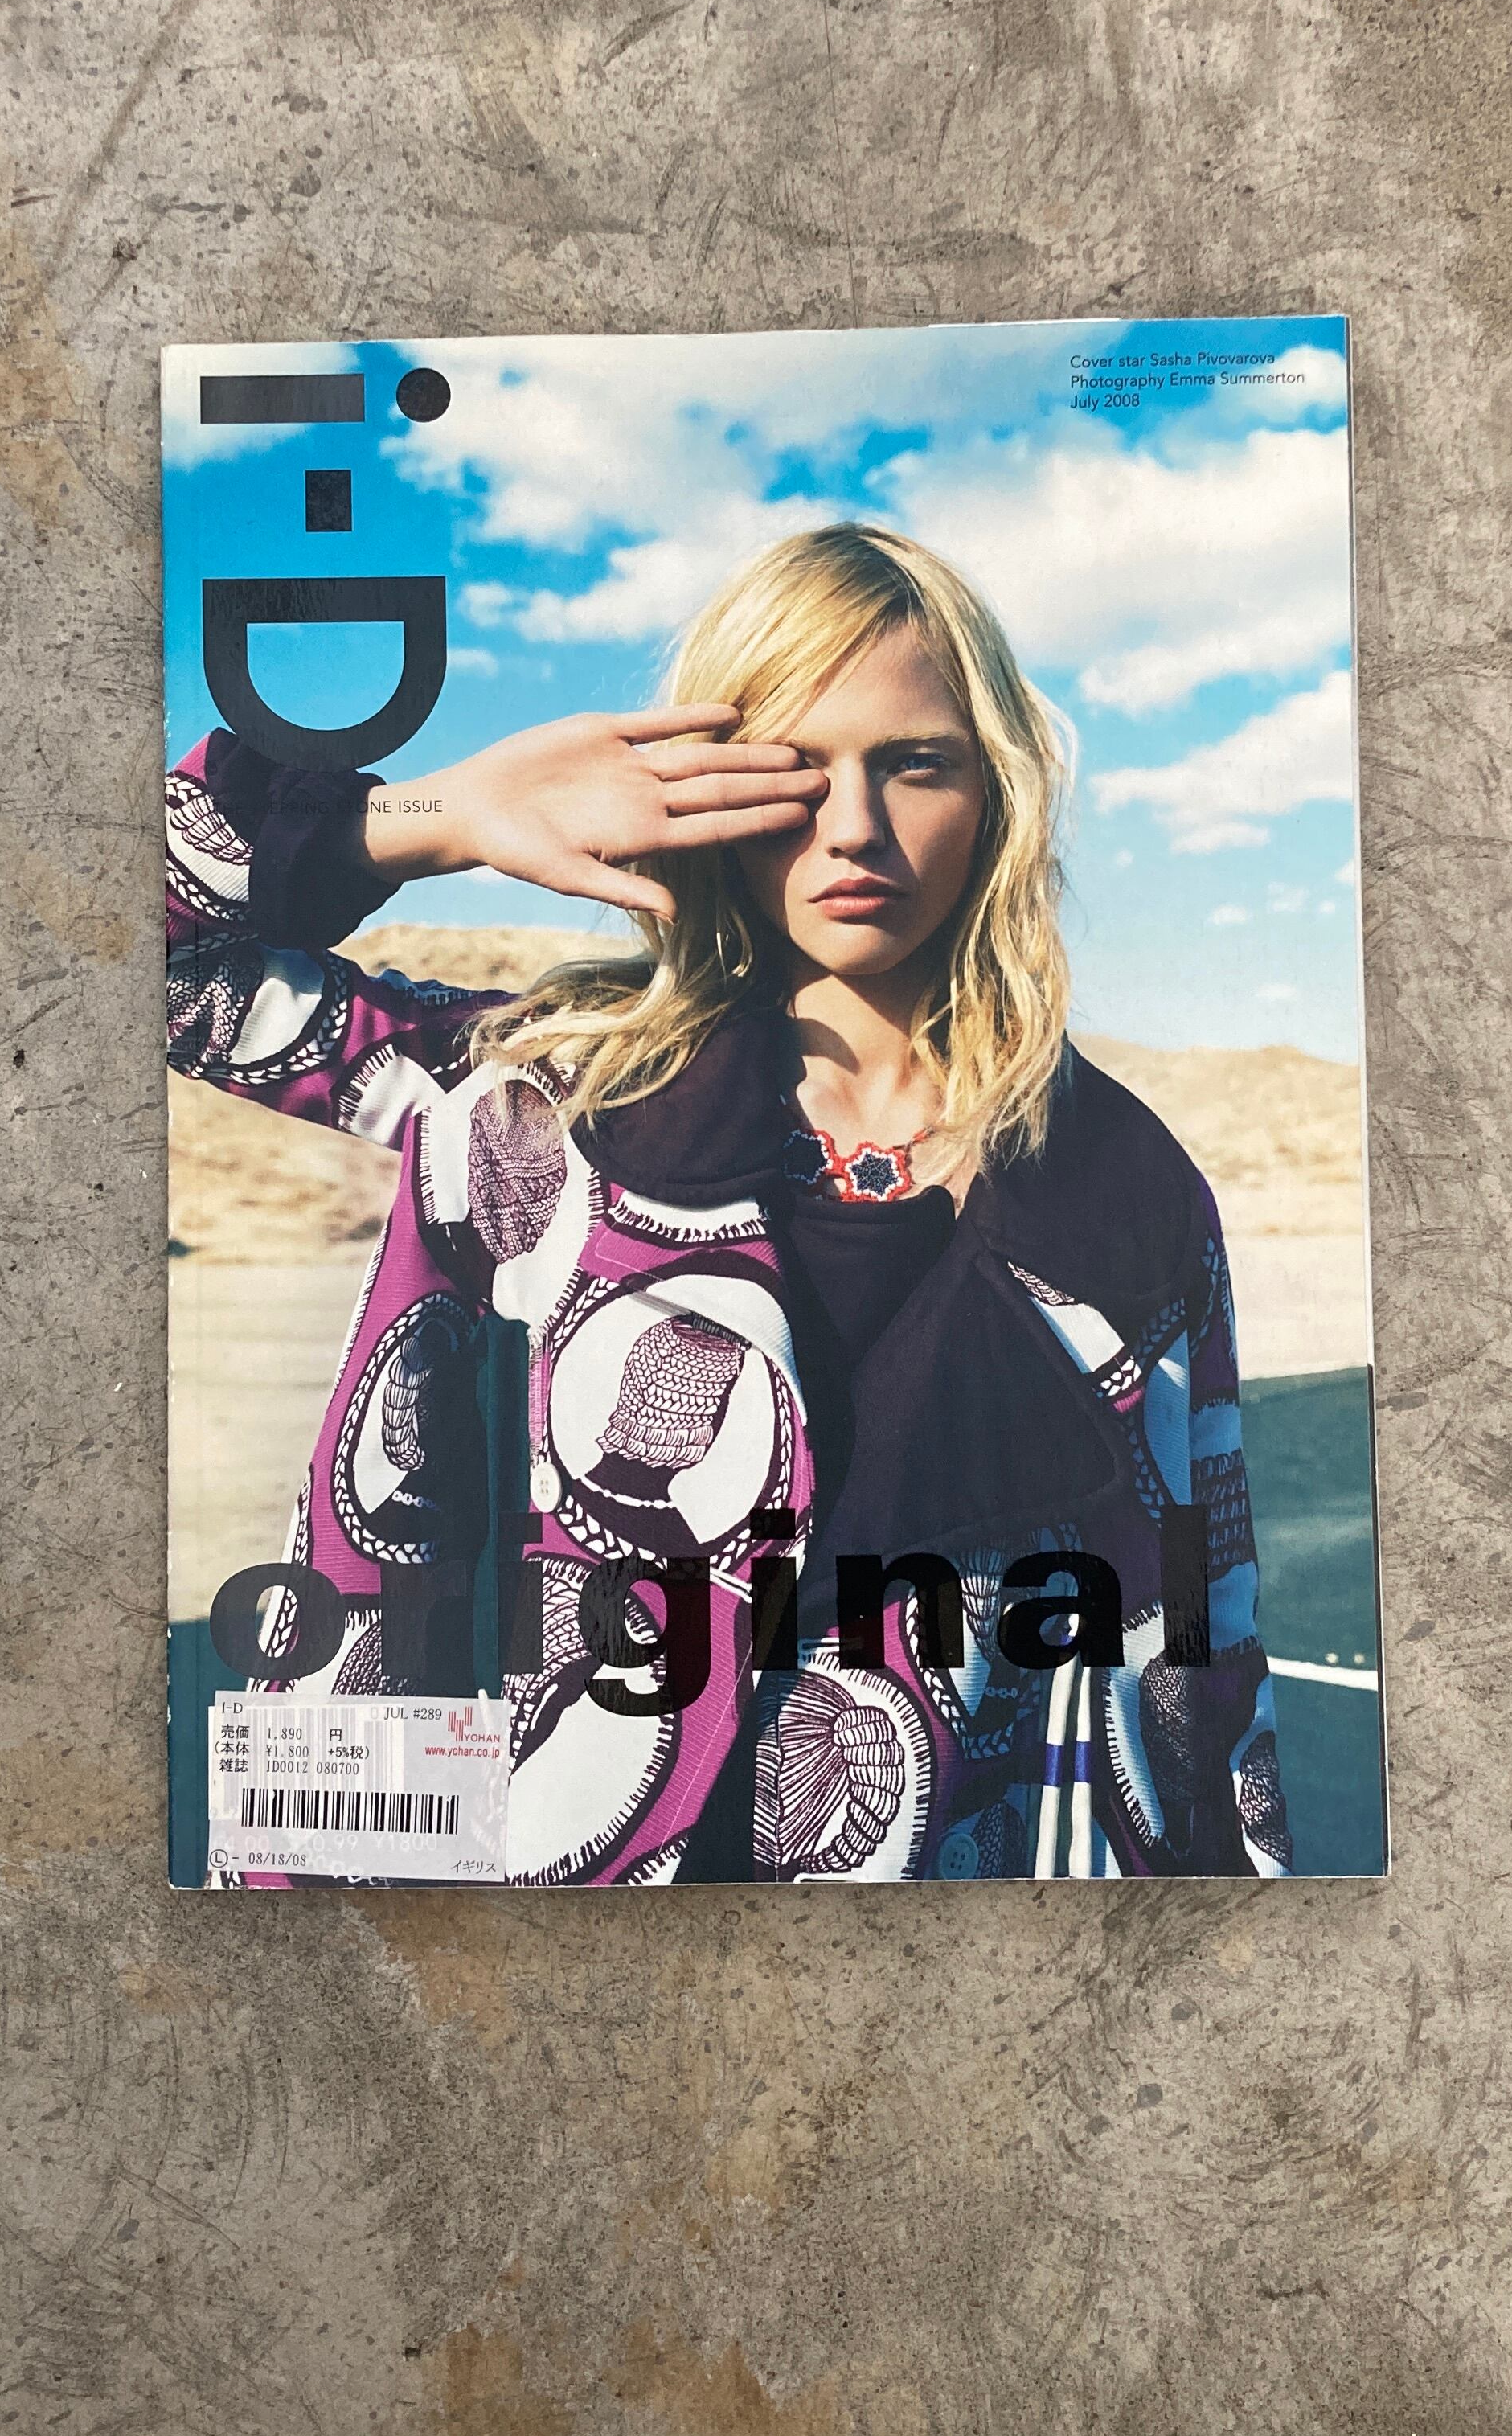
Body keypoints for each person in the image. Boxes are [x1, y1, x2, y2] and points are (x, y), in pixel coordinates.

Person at [167, 523, 1291, 1882]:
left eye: (916, 764)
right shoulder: (546, 1105)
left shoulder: (1128, 1191)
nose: (855, 826)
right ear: (699, 792)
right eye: (795, 770)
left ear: (996, 794)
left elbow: (1207, 1650)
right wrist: (444, 816)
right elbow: (142, 955)